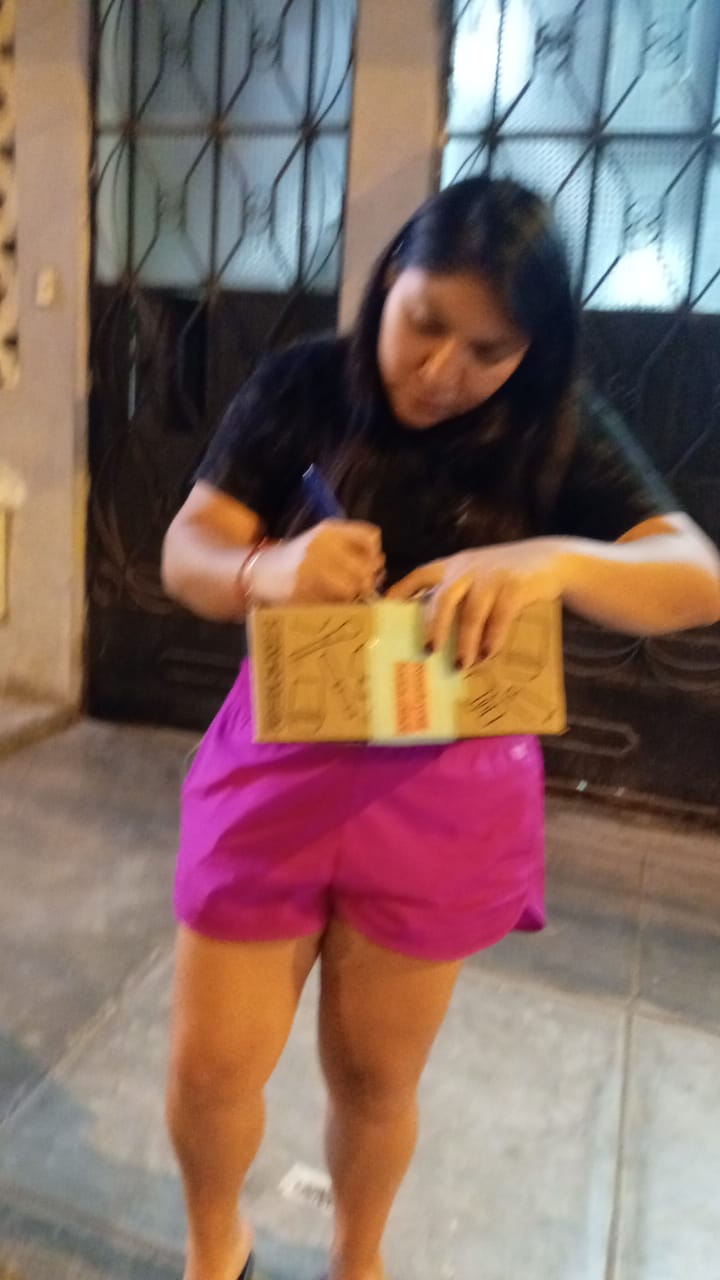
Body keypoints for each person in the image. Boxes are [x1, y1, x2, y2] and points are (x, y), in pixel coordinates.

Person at [161, 176, 720, 1280]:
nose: (440, 370)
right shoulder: (304, 384)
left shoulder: (554, 425)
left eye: (487, 349)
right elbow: (189, 549)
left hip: (447, 787)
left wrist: (548, 559)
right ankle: (215, 1244)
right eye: (423, 323)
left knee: (377, 1077)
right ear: (388, 286)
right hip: (278, 759)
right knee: (211, 1068)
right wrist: (267, 567)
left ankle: (358, 1258)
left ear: (530, 350)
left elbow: (695, 576)